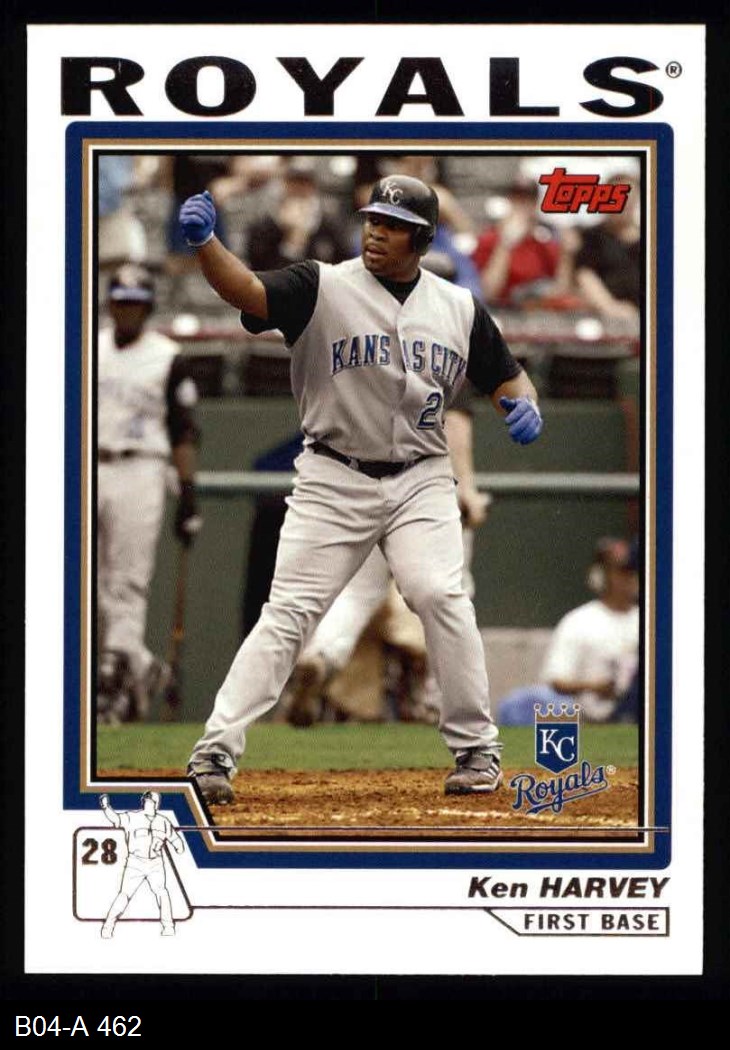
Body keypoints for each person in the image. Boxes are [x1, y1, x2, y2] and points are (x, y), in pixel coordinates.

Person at [178, 174, 543, 805]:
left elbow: (507, 376)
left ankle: (476, 747)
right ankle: (215, 750)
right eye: (373, 219)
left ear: (423, 239)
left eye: (394, 225)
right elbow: (246, 290)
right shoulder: (320, 285)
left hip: (421, 476)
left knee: (441, 594)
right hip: (333, 474)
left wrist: (524, 402)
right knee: (289, 611)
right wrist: (207, 245)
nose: (376, 231)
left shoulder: (458, 306)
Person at [285, 384, 490, 727]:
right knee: (449, 593)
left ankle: (322, 654)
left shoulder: (365, 355)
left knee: (356, 594)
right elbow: (454, 424)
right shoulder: (447, 354)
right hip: (428, 490)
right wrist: (466, 487)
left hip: (362, 483)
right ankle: (437, 697)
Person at [97, 265, 202, 724]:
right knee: (90, 584)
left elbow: (183, 430)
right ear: (110, 303)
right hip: (90, 463)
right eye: (121, 301)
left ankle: (114, 682)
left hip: (140, 466)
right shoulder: (90, 346)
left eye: (135, 303)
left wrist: (188, 492)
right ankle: (141, 667)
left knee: (127, 581)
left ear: (148, 307)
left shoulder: (167, 356)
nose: (127, 310)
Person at [498, 537, 639, 725]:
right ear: (602, 576)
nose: (629, 579)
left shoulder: (649, 622)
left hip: (635, 711)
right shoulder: (580, 620)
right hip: (585, 714)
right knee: (518, 705)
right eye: (622, 572)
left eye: (633, 572)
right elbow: (556, 681)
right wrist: (596, 687)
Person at [99, 791, 185, 938]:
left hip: (156, 863)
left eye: (151, 801)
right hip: (135, 863)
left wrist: (179, 847)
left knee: (162, 892)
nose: (148, 803)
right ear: (143, 802)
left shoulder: (163, 821)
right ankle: (108, 926)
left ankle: (168, 927)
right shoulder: (132, 817)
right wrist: (106, 807)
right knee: (125, 894)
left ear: (157, 804)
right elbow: (116, 818)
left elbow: (175, 839)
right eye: (146, 801)